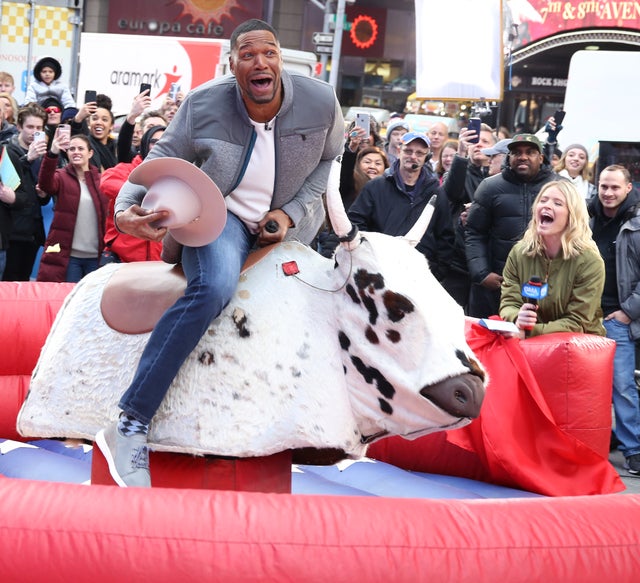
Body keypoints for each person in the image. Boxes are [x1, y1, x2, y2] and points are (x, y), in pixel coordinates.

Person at [95, 18, 344, 487]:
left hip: (287, 227)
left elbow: (331, 159)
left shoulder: (320, 101)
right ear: (233, 65)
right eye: (247, 55)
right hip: (218, 217)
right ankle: (129, 423)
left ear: (280, 59)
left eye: (268, 52)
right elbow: (158, 158)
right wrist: (125, 209)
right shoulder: (203, 104)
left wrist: (290, 212)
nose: (260, 62)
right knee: (214, 288)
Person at [465, 133, 561, 318]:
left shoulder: (560, 188)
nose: (523, 157)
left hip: (546, 286)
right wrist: (482, 273)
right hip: (496, 286)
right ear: (509, 157)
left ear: (541, 158)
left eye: (530, 152)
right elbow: (475, 233)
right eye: (516, 152)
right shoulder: (490, 187)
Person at [500, 180, 605, 338]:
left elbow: (578, 321)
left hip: (574, 351)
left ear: (572, 215)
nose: (546, 206)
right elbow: (508, 302)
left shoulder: (590, 261)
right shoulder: (519, 252)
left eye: (557, 203)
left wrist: (529, 332)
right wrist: (516, 317)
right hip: (526, 346)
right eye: (542, 200)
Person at [347, 131, 454, 283]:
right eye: (408, 151)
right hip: (377, 272)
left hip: (419, 276)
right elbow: (356, 223)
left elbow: (445, 236)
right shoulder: (375, 187)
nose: (413, 156)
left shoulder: (436, 193)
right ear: (399, 151)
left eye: (419, 153)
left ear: (426, 157)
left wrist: (436, 272)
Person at [589, 164, 640, 476]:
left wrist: (628, 312)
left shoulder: (636, 224)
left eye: (614, 188)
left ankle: (633, 449)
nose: (608, 193)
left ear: (628, 188)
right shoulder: (585, 219)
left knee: (622, 386)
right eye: (604, 187)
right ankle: (592, 443)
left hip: (616, 319)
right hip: (583, 316)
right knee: (585, 385)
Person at [36, 131, 108, 282]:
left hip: (97, 257)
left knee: (92, 302)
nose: (76, 152)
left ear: (90, 153)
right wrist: (53, 153)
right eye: (71, 149)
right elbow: (45, 183)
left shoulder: (102, 179)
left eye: (80, 149)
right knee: (68, 298)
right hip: (70, 257)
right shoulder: (61, 176)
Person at [439, 123, 496, 310]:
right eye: (475, 141)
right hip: (457, 260)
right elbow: (450, 193)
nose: (479, 145)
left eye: (485, 141)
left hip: (488, 262)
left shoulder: (501, 179)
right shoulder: (459, 169)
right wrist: (461, 155)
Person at [100, 126, 167, 263]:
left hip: (159, 261)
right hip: (122, 259)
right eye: (154, 141)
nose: (159, 145)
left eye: (165, 141)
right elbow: (106, 183)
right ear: (145, 143)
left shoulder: (175, 176)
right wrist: (142, 193)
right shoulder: (126, 169)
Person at [2, 103, 50, 281]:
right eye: (30, 127)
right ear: (19, 127)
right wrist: (28, 159)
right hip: (12, 230)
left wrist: (44, 194)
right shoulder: (7, 149)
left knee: (23, 282)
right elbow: (8, 183)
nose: (34, 132)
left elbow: (42, 197)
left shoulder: (43, 155)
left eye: (38, 128)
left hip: (33, 230)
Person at [317, 144, 389, 258]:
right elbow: (345, 171)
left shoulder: (388, 190)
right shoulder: (350, 184)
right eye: (367, 162)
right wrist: (351, 150)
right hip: (340, 246)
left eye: (378, 163)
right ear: (358, 164)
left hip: (373, 250)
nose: (372, 166)